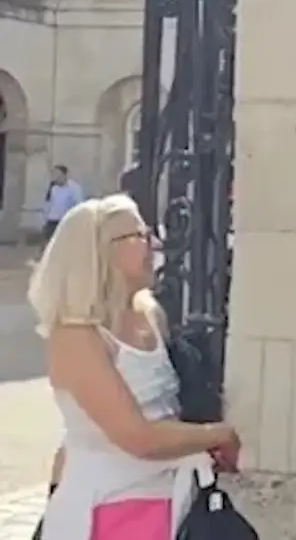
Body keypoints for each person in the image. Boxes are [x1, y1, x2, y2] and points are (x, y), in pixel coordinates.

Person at [32, 194, 241, 538]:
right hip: (110, 508)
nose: (154, 243)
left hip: (173, 500)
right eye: (141, 236)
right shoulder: (76, 336)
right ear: (102, 251)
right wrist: (218, 434)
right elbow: (138, 437)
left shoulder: (151, 314)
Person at [42, 165, 84, 244]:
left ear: (65, 175)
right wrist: (45, 219)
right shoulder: (53, 188)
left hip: (66, 221)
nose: (56, 177)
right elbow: (48, 204)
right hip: (52, 221)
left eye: (58, 174)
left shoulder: (74, 188)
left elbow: (79, 204)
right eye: (54, 175)